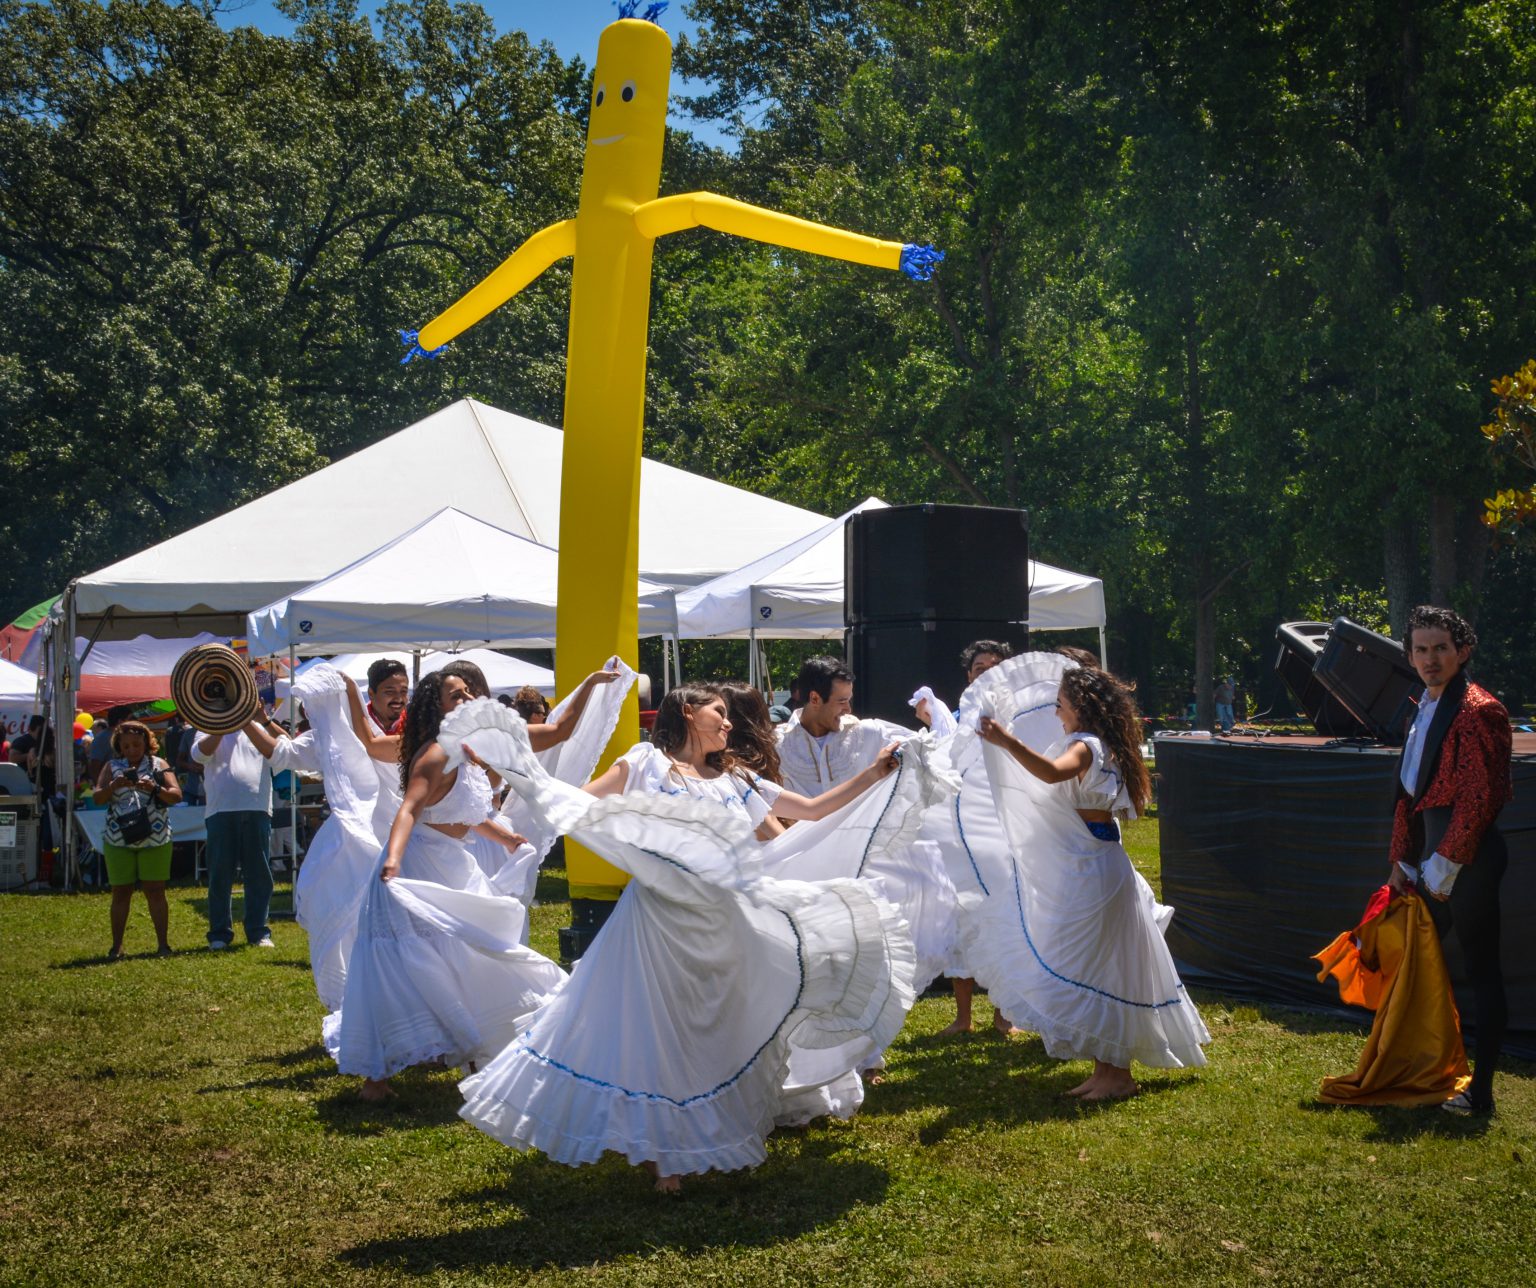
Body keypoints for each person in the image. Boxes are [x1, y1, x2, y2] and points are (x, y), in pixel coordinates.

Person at [457, 683, 935, 1193]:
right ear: (688, 712)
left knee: (719, 1026)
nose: (729, 724)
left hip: (724, 922)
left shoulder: (734, 778)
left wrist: (875, 772)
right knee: (663, 1030)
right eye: (720, 713)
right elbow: (579, 808)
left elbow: (813, 812)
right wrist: (522, 775)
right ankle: (664, 1153)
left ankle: (711, 1126)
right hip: (659, 922)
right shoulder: (642, 764)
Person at [972, 655, 1209, 1099]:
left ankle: (1117, 1075)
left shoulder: (1084, 744)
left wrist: (1006, 741)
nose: (1057, 712)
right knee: (1099, 968)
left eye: (1060, 704)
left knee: (1101, 969)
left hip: (1095, 869)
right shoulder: (1100, 742)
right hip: (1096, 861)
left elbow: (1050, 774)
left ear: (1080, 706)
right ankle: (1107, 1071)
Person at [328, 666, 566, 1102]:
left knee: (470, 952)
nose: (468, 699)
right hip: (416, 866)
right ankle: (375, 1080)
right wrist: (394, 858)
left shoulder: (469, 752)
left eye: (469, 692)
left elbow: (469, 813)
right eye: (456, 696)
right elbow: (410, 810)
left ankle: (464, 1046)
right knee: (408, 966)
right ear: (436, 708)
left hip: (454, 863)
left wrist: (507, 837)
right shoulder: (434, 754)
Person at [1387, 604, 1513, 1116]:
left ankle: (1480, 1093)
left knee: (1482, 970)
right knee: (1426, 965)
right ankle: (1428, 1070)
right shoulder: (1422, 705)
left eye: (1441, 648)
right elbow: (1407, 792)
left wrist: (1445, 864)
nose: (1431, 658)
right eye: (1421, 649)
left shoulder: (1480, 708)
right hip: (1432, 854)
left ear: (1462, 651)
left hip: (1471, 857)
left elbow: (1480, 797)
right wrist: (1401, 856)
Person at [937, 639, 1017, 1038]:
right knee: (961, 920)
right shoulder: (951, 721)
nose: (985, 672)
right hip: (960, 831)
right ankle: (963, 1017)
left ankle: (1004, 1014)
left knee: (1003, 917)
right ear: (968, 676)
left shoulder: (1020, 718)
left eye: (994, 666)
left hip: (1004, 829)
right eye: (979, 667)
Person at [91, 719, 182, 958]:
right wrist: (113, 786)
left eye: (136, 745)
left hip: (155, 837)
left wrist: (154, 788)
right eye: (127, 746)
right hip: (118, 838)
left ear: (146, 743)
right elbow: (98, 797)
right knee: (120, 892)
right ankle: (116, 946)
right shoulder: (111, 767)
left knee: (155, 891)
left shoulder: (159, 763)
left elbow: (176, 795)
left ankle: (163, 945)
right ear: (119, 746)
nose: (132, 750)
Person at [191, 714, 280, 950]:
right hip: (221, 810)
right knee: (220, 875)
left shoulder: (259, 726)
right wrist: (224, 723)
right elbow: (199, 754)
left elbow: (287, 749)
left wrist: (263, 720)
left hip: (257, 808)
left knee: (259, 876)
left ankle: (258, 931)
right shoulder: (207, 725)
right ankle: (219, 933)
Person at [776, 656, 913, 799]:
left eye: (849, 700)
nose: (848, 709)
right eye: (842, 701)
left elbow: (919, 747)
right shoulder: (776, 746)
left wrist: (900, 756)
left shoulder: (866, 732)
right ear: (815, 699)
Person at [365, 658, 410, 733]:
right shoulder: (354, 724)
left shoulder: (414, 723)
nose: (399, 699)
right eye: (390, 692)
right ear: (371, 694)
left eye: (403, 691)